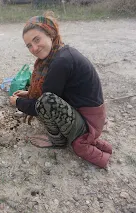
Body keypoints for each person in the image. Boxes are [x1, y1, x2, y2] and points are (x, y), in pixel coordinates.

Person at [9, 12, 112, 168]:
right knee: (46, 99)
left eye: (37, 40)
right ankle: (73, 135)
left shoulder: (61, 62)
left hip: (88, 123)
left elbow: (44, 104)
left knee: (46, 101)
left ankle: (58, 141)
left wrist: (18, 102)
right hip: (91, 116)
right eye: (29, 45)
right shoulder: (60, 52)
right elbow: (55, 91)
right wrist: (28, 94)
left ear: (50, 35)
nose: (34, 48)